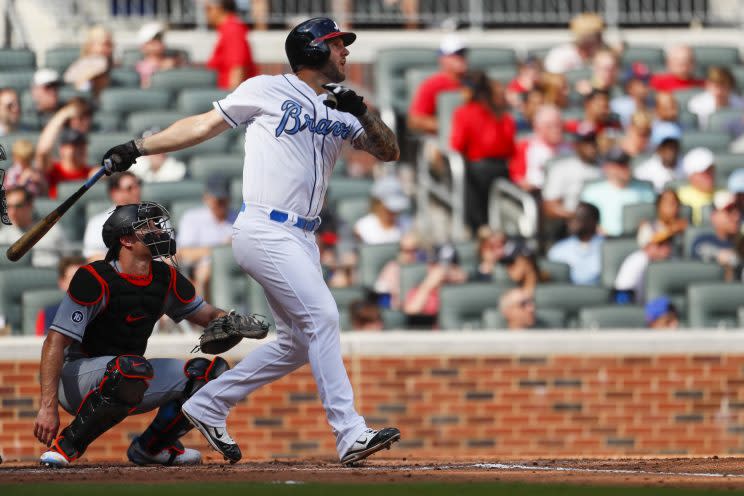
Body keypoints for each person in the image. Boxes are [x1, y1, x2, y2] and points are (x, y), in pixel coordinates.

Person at [101, 17, 401, 465]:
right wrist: (139, 148)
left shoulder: (342, 105)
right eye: (338, 44)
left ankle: (206, 404)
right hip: (264, 227)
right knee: (321, 316)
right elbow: (203, 125)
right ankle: (349, 432)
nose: (346, 52)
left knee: (297, 342)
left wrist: (362, 112)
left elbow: (388, 151)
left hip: (303, 236)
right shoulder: (266, 88)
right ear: (314, 50)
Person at [32, 202, 260, 467]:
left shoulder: (166, 278)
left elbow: (207, 315)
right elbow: (54, 342)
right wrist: (47, 407)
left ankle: (152, 447)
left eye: (156, 224)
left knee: (207, 375)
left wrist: (229, 322)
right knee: (131, 368)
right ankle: (66, 446)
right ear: (126, 239)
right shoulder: (94, 277)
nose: (158, 231)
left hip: (129, 373)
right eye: (147, 227)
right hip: (75, 378)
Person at [450, 71, 516, 232]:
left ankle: (478, 228)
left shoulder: (465, 113)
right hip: (502, 169)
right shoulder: (502, 113)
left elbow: (457, 145)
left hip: (479, 171)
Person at [176, 174, 238, 297]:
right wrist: (222, 250)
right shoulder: (193, 218)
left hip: (236, 270)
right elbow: (183, 253)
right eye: (216, 199)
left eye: (223, 199)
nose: (220, 203)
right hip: (197, 272)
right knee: (206, 270)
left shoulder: (239, 219)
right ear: (206, 198)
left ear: (229, 198)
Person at [580, 147, 656, 236]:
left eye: (626, 163)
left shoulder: (645, 189)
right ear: (607, 167)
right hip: (603, 240)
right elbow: (585, 221)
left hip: (639, 240)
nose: (624, 168)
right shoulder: (591, 192)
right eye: (619, 164)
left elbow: (652, 217)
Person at [407, 34, 468, 135]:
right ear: (443, 58)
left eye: (463, 53)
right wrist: (448, 126)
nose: (461, 57)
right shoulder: (432, 85)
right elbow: (415, 120)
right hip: (440, 139)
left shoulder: (474, 81)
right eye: (456, 53)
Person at [542, 127, 601, 222]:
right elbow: (550, 207)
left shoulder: (605, 168)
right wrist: (577, 218)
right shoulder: (562, 168)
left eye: (593, 142)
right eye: (585, 143)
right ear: (577, 145)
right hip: (572, 223)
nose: (591, 147)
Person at [0, 186, 68, 267]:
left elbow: (67, 258)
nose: (12, 212)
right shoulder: (3, 236)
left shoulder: (53, 230)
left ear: (30, 205)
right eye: (8, 207)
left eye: (18, 206)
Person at [509, 104, 571, 192]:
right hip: (536, 194)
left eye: (559, 124)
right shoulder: (526, 146)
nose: (556, 129)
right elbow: (517, 178)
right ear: (537, 127)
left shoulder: (570, 147)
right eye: (550, 126)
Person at [403, 243, 467, 326]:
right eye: (439, 266)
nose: (444, 271)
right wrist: (427, 287)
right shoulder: (419, 291)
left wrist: (463, 283)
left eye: (451, 266)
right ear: (430, 267)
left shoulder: (460, 289)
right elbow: (410, 314)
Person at [83, 171, 142, 260]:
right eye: (130, 188)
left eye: (138, 185)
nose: (137, 190)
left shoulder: (156, 218)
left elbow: (167, 255)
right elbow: (93, 258)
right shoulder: (97, 223)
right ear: (115, 193)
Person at [205, 0, 257, 90]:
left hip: (229, 94)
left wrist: (230, 98)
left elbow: (238, 68)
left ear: (219, 8)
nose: (206, 14)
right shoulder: (228, 28)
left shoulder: (232, 29)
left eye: (208, 9)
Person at [547, 202, 603, 286]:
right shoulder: (558, 249)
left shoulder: (608, 248)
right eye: (570, 218)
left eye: (578, 218)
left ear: (593, 221)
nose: (570, 222)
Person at [614, 228, 674, 304]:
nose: (666, 248)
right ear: (647, 246)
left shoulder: (671, 260)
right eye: (660, 244)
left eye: (668, 243)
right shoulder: (637, 261)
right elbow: (622, 295)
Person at [691, 191, 741, 280]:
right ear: (714, 216)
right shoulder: (702, 241)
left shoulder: (741, 242)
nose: (737, 216)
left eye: (739, 210)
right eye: (729, 211)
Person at [472, 226, 539, 293]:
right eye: (492, 247)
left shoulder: (514, 262)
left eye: (502, 245)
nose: (500, 251)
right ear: (483, 249)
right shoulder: (480, 273)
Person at [373, 232, 427, 311]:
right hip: (400, 310)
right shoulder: (391, 268)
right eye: (405, 250)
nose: (410, 254)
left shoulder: (427, 268)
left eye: (414, 250)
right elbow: (381, 292)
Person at [34, 255, 86, 336]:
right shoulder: (47, 315)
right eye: (74, 278)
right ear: (62, 283)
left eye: (84, 278)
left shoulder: (100, 312)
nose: (80, 283)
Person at [354, 175, 411, 245]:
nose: (394, 212)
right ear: (377, 203)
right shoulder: (362, 227)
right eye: (389, 209)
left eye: (396, 209)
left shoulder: (408, 224)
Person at [39, 127, 93, 199]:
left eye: (83, 145)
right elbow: (43, 151)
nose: (80, 149)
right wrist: (63, 116)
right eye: (75, 145)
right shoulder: (53, 169)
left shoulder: (90, 173)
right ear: (62, 149)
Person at [634, 122, 683, 192]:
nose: (670, 152)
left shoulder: (685, 165)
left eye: (673, 147)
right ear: (658, 149)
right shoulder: (644, 171)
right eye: (665, 147)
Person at [636, 189, 688, 254]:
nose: (670, 205)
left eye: (673, 202)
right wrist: (671, 230)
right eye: (666, 202)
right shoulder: (648, 226)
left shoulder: (685, 226)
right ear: (659, 206)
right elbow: (646, 247)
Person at [677, 147, 717, 225]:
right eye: (703, 172)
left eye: (711, 170)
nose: (709, 175)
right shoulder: (679, 197)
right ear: (691, 175)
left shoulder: (724, 194)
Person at [136, 22, 182, 88]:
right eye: (154, 39)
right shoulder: (139, 68)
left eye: (160, 38)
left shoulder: (176, 61)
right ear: (144, 46)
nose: (159, 42)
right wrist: (163, 70)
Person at [611, 62, 653, 128]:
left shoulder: (654, 105)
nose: (645, 85)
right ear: (629, 86)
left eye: (647, 80)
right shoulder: (617, 106)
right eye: (641, 81)